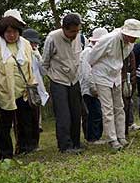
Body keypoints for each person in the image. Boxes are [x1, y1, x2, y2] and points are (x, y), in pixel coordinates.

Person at [89, 19, 140, 151]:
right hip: (102, 75)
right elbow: (91, 58)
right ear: (126, 33)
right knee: (107, 109)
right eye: (133, 35)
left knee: (119, 107)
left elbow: (120, 59)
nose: (134, 38)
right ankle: (112, 139)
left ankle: (121, 137)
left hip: (116, 76)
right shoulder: (108, 39)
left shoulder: (130, 44)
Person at [0, 9, 39, 160]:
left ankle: (25, 148)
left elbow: (30, 66)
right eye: (8, 32)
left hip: (24, 91)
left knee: (25, 121)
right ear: (2, 33)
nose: (11, 35)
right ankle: (5, 154)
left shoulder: (26, 44)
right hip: (5, 92)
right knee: (5, 124)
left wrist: (32, 84)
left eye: (14, 32)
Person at [42, 13, 84, 154]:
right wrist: (53, 77)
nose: (75, 34)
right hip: (58, 81)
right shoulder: (52, 38)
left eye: (77, 31)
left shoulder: (78, 37)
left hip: (74, 80)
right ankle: (65, 146)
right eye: (72, 31)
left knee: (76, 113)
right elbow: (45, 62)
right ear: (64, 28)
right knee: (63, 115)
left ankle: (76, 143)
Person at [79, 27, 107, 143]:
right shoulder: (88, 52)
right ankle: (92, 137)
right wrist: (93, 88)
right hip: (88, 89)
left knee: (96, 112)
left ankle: (96, 136)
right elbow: (87, 72)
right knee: (93, 113)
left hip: (95, 86)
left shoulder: (94, 51)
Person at [22, 28, 50, 135]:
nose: (33, 45)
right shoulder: (22, 54)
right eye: (31, 43)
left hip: (37, 87)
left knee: (36, 110)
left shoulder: (36, 54)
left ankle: (37, 128)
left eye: (34, 43)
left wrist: (39, 57)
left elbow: (43, 72)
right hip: (25, 87)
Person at [121, 50, 137, 135]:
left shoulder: (130, 52)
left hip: (127, 81)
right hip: (118, 81)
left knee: (127, 104)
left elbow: (133, 69)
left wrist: (131, 82)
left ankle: (125, 129)